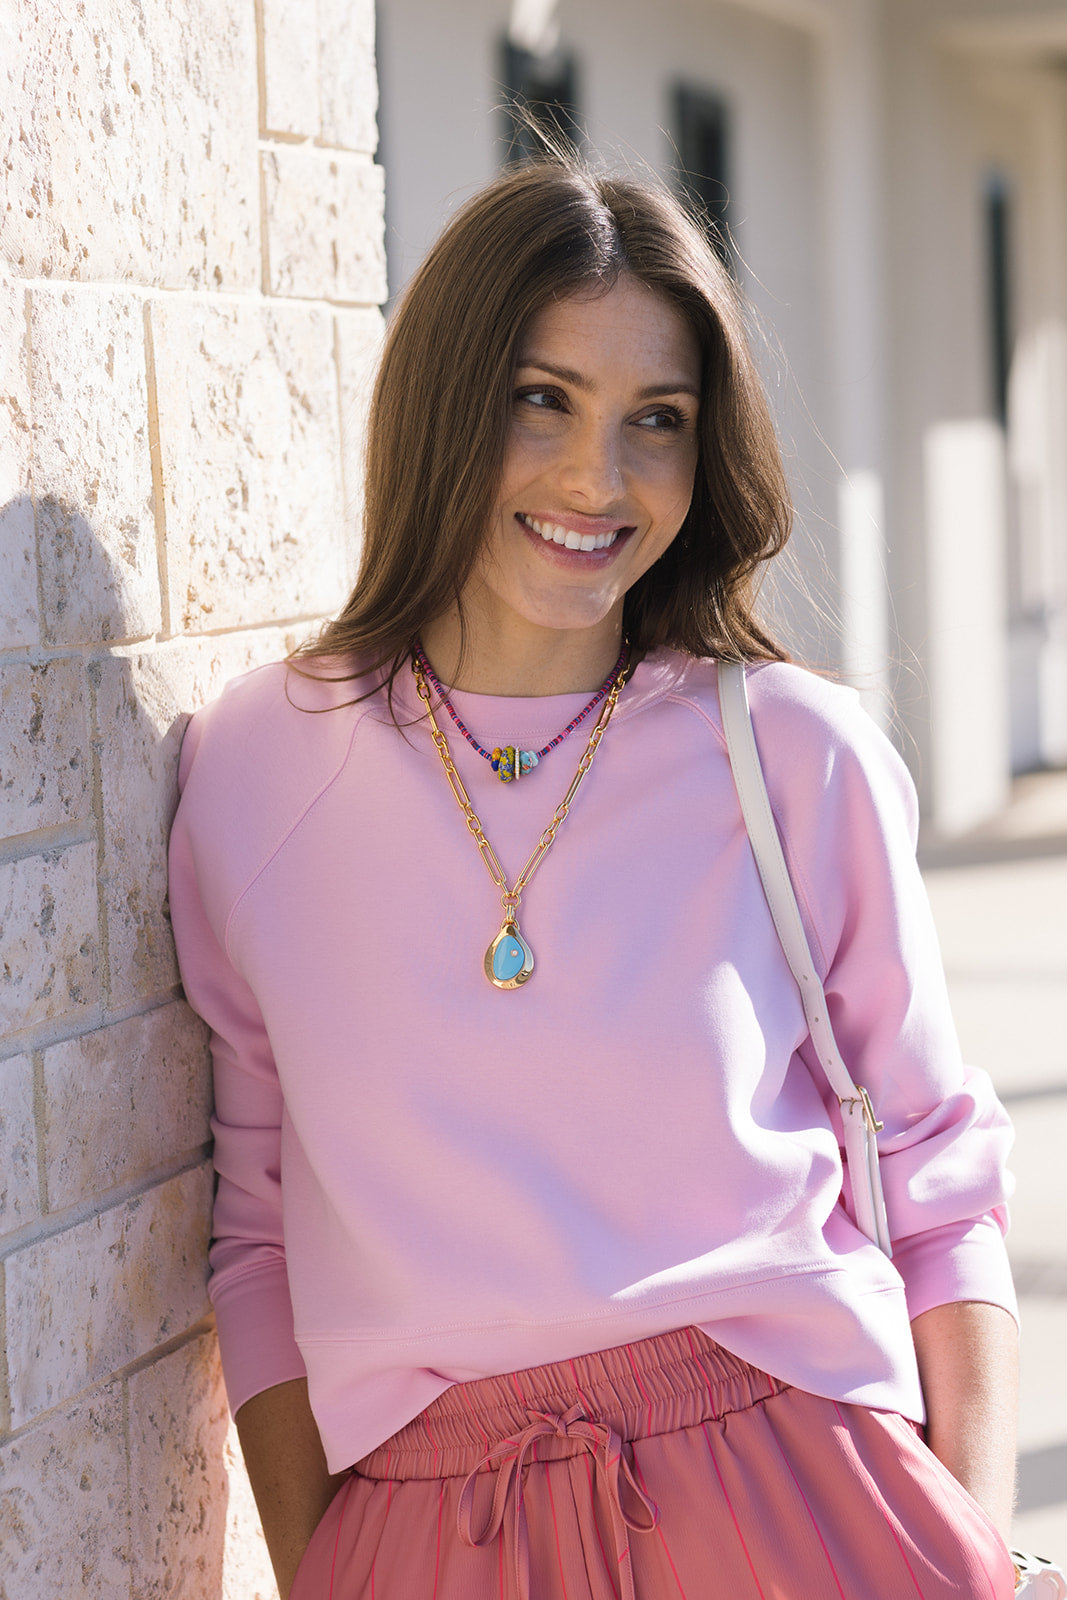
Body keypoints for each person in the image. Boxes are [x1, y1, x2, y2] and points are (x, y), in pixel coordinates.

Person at [168, 157, 1021, 1600]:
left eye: (659, 423)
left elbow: (940, 1182)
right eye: (540, 398)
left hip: (800, 1496)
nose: (596, 480)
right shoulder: (256, 769)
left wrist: (973, 1550)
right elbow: (256, 1236)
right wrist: (333, 1572)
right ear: (446, 401)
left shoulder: (792, 756)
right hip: (433, 1526)